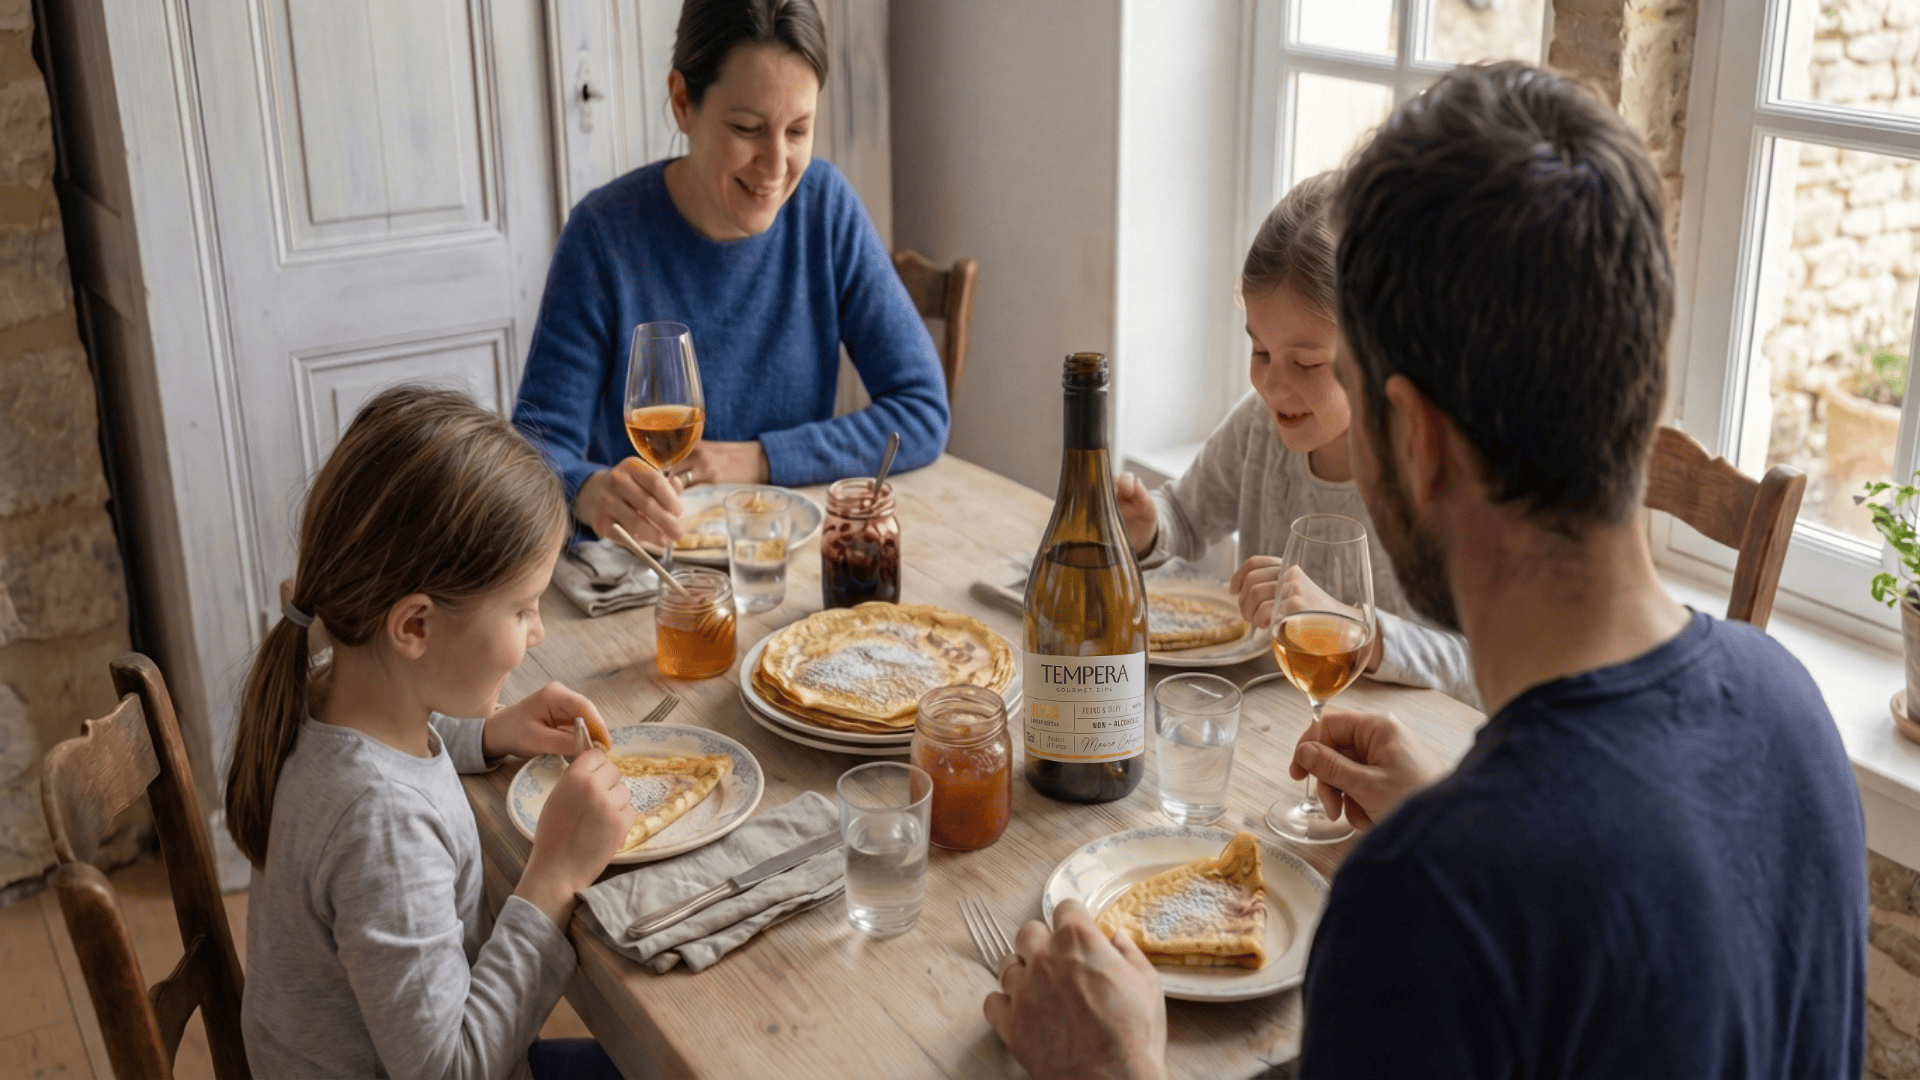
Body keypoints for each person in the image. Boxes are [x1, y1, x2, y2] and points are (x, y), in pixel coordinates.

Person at [985, 62, 1866, 1078]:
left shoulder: (1428, 902)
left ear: (1417, 437)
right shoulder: (1791, 710)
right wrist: (1452, 811)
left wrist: (1116, 1072)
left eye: (1340, 375)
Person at [226, 387, 637, 1079]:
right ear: (414, 626)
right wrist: (555, 872)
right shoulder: (380, 824)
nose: (538, 634)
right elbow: (450, 1069)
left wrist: (490, 733)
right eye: (524, 610)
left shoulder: (324, 687)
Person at [513, 0, 950, 548]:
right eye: (747, 128)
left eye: (798, 131)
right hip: (649, 572)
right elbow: (533, 451)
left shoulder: (826, 209)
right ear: (682, 103)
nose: (775, 166)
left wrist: (761, 457)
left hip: (784, 557)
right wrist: (587, 490)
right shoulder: (603, 235)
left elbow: (922, 411)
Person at [1115, 173, 1475, 705]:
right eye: (1260, 353)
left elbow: (1479, 667)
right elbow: (1186, 518)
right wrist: (1149, 528)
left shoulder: (1441, 472)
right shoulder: (1258, 424)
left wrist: (1349, 629)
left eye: (1307, 363)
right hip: (1278, 725)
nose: (1272, 384)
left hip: (1407, 754)